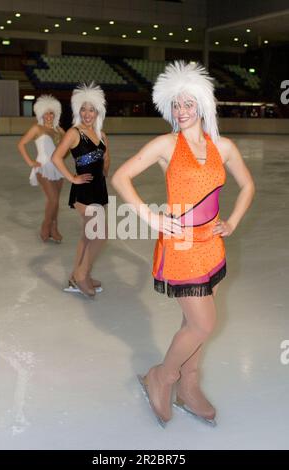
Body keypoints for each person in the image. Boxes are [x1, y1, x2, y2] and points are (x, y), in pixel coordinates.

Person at [111, 61, 255, 427]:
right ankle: (164, 375)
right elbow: (121, 176)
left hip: (212, 244)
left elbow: (248, 185)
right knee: (204, 324)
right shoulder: (165, 144)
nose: (182, 111)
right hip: (181, 247)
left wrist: (233, 221)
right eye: (176, 105)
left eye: (189, 103)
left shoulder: (223, 146)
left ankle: (189, 385)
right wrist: (152, 217)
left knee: (193, 321)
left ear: (204, 104)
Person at [52, 83, 110, 297]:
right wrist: (72, 178)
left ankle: (76, 276)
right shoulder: (74, 132)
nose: (87, 113)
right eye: (83, 109)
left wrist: (105, 160)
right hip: (83, 191)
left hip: (99, 189)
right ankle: (81, 275)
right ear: (78, 110)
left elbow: (105, 167)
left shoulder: (102, 134)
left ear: (98, 112)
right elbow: (56, 157)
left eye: (91, 109)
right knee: (100, 235)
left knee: (88, 236)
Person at [17, 95, 65, 242]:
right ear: (41, 114)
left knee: (55, 201)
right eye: (46, 113)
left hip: (58, 169)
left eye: (52, 113)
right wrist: (30, 162)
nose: (49, 116)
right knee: (53, 199)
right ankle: (46, 226)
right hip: (43, 167)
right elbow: (21, 144)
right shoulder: (37, 128)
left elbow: (66, 149)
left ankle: (54, 228)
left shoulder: (60, 130)